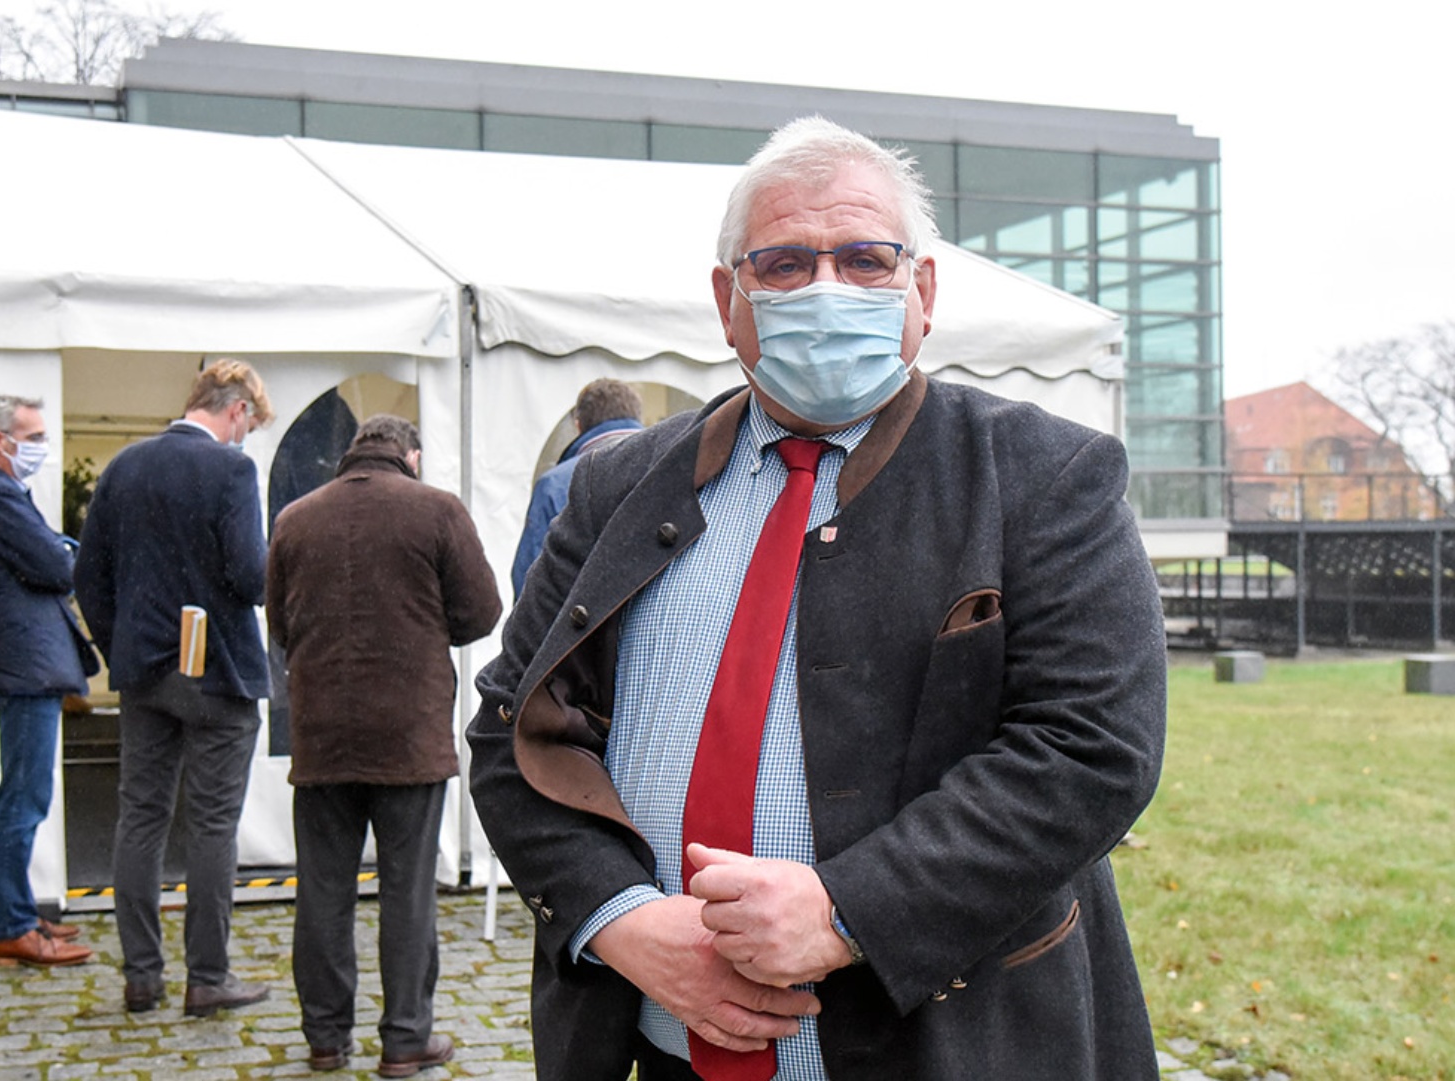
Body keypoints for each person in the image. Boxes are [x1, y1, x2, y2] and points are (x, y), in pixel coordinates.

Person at [467, 115, 1168, 1081]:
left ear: (921, 290)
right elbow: (515, 730)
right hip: (660, 1051)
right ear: (730, 299)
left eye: (867, 259)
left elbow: (1094, 745)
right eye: (786, 264)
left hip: (947, 1050)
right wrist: (619, 917)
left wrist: (851, 906)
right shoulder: (618, 487)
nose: (828, 288)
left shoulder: (1041, 474)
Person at [267, 416, 502, 1076]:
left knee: (322, 889)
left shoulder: (295, 517)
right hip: (408, 732)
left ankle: (325, 1036)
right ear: (412, 455)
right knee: (407, 890)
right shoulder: (436, 511)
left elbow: (280, 623)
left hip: (320, 732)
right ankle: (404, 1039)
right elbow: (481, 612)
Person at [73, 359, 276, 1016]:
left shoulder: (125, 466)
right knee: (213, 825)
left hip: (142, 674)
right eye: (251, 422)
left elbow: (87, 574)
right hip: (219, 673)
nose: (248, 435)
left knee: (141, 817)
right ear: (237, 409)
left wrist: (118, 644)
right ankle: (207, 976)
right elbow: (251, 576)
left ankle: (141, 974)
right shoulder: (232, 470)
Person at [0, 394, 98, 969]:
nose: (41, 446)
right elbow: (60, 566)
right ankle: (13, 926)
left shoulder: (3, 493)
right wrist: (66, 552)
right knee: (24, 798)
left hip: (24, 663)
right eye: (33, 436)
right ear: (0, 440)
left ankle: (20, 913)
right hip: (24, 666)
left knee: (25, 794)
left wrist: (59, 552)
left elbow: (51, 558)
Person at [510, 378, 643, 596]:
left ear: (578, 425)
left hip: (581, 622)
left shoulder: (555, 484)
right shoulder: (671, 466)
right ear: (637, 417)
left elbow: (529, 581)